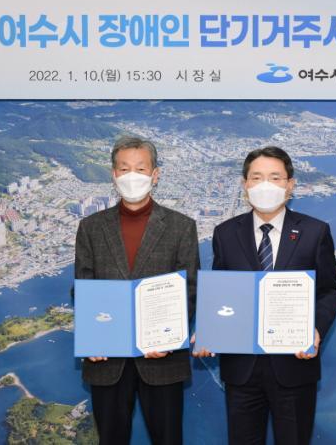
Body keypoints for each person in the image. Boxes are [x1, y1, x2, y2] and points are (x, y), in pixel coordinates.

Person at [194, 146, 336, 445]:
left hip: (294, 366)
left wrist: (316, 330)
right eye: (256, 177)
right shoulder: (225, 233)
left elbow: (329, 291)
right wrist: (209, 329)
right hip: (241, 369)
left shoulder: (315, 232)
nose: (265, 185)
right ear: (245, 184)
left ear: (290, 184)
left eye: (275, 177)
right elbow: (221, 291)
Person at [74, 136, 199, 445]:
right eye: (124, 168)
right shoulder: (90, 227)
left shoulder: (181, 226)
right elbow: (83, 288)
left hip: (163, 360)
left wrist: (169, 338)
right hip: (107, 360)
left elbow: (190, 290)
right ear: (114, 175)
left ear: (155, 175)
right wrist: (92, 335)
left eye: (141, 169)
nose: (132, 176)